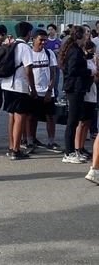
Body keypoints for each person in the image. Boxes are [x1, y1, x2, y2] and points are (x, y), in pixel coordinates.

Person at [1, 21, 36, 160]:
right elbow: (28, 70)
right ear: (28, 33)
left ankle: (11, 147)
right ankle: (16, 150)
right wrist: (32, 88)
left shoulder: (11, 45)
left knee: (11, 116)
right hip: (19, 86)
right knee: (20, 117)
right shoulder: (25, 48)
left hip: (6, 85)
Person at [59, 25, 91, 164]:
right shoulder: (74, 50)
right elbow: (72, 70)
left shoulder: (76, 49)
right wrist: (89, 72)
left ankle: (73, 151)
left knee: (75, 120)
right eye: (85, 34)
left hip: (77, 88)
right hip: (74, 88)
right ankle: (69, 152)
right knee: (72, 121)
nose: (87, 37)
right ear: (80, 36)